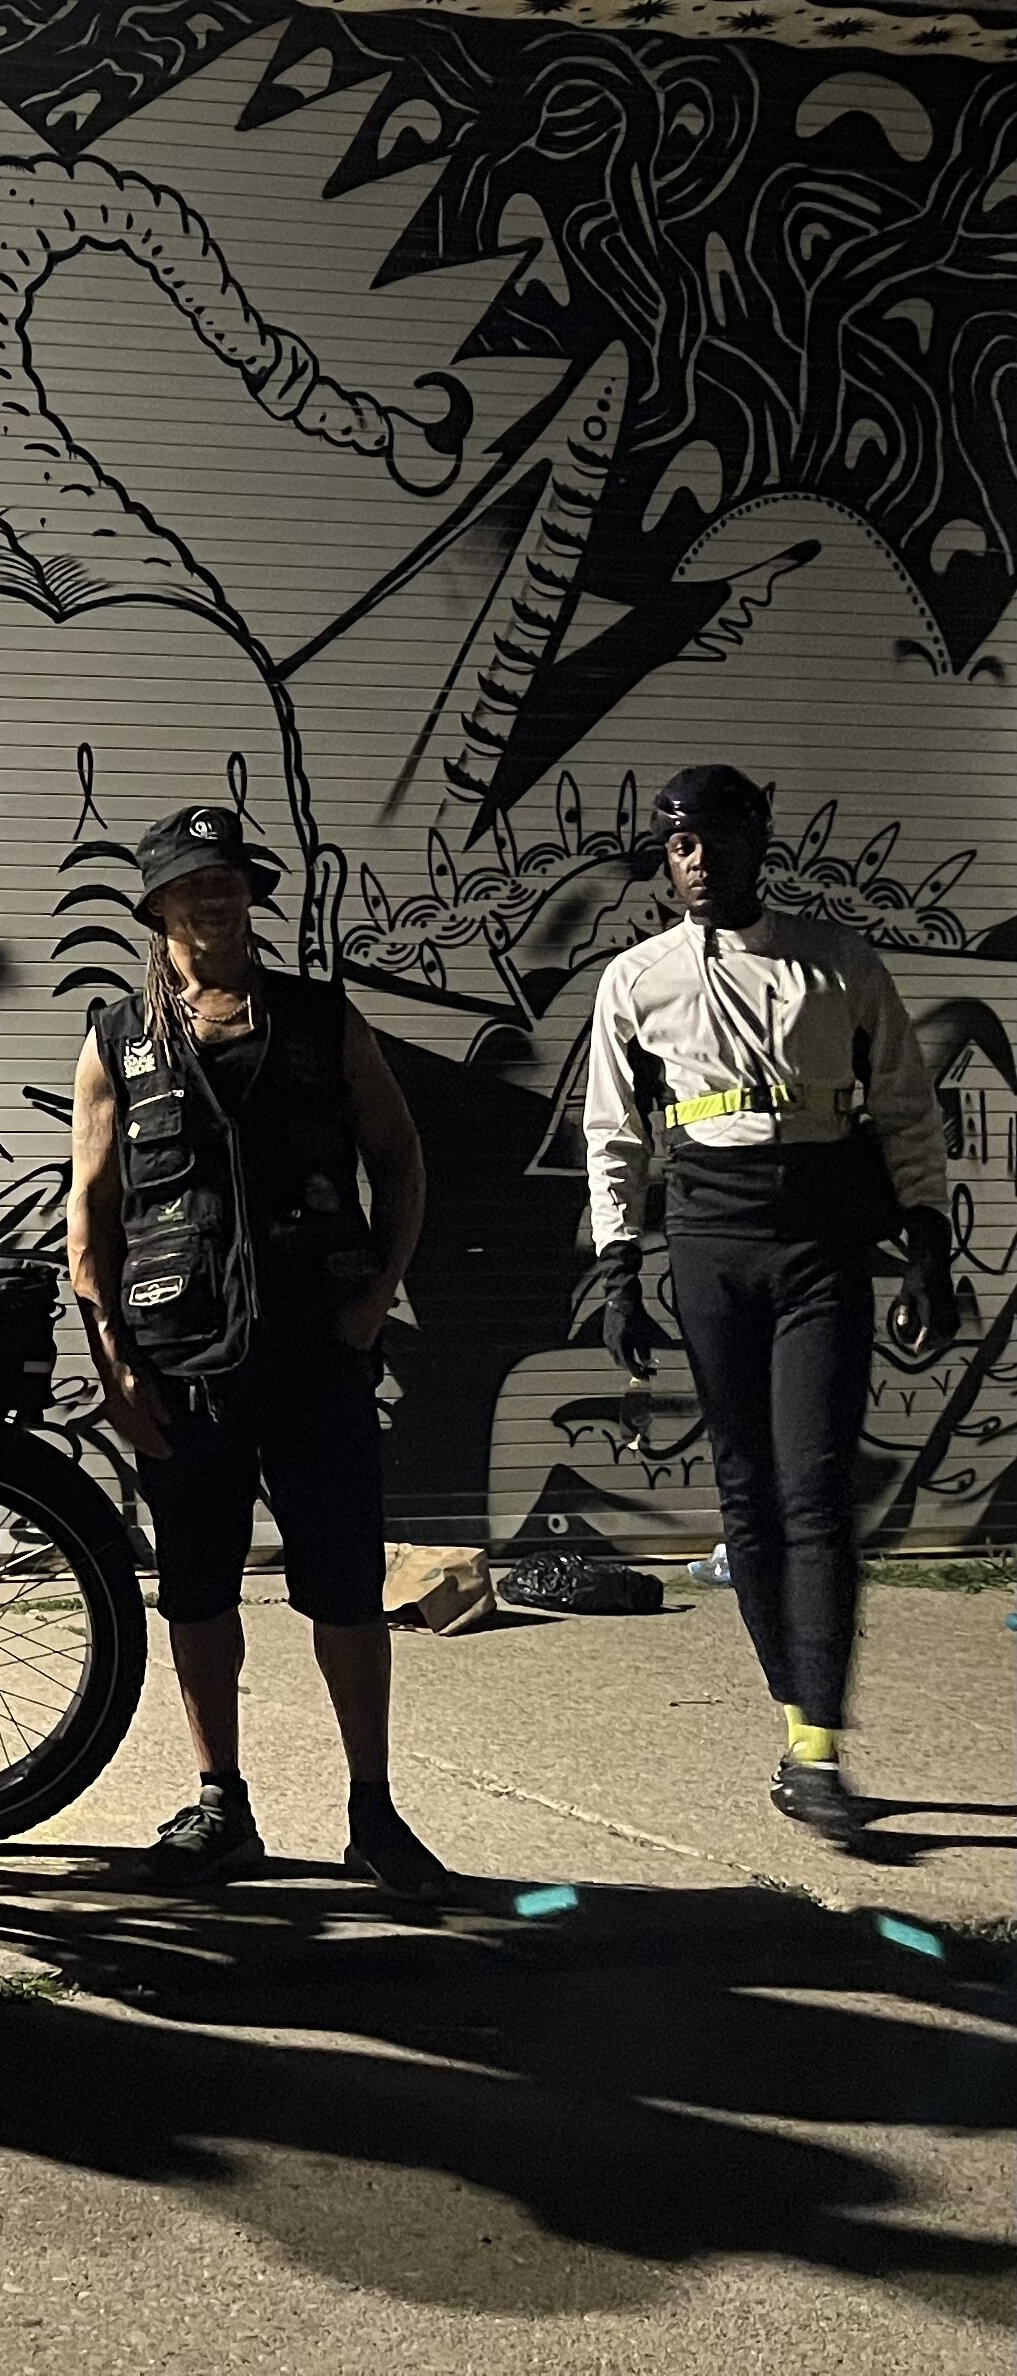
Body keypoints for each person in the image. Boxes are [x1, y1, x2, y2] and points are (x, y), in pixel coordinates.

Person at [67, 805, 449, 1900]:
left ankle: (374, 1814)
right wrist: (113, 1362)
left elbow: (401, 1156)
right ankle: (220, 1803)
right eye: (194, 885)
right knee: (195, 1589)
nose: (217, 899)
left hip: (317, 1350)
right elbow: (86, 1216)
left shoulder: (324, 1020)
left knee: (344, 1589)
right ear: (156, 908)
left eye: (230, 881)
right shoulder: (113, 1041)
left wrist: (377, 1294)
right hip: (179, 1361)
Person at [581, 764, 954, 1849]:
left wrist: (925, 1243)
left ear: (758, 844)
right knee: (746, 1494)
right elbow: (612, 1134)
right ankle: (798, 1728)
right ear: (665, 857)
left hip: (818, 1246)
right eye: (679, 844)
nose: (698, 861)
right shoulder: (635, 979)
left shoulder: (837, 960)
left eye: (717, 839)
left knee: (816, 1490)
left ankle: (819, 1747)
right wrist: (616, 1268)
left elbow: (904, 1112)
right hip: (710, 1245)